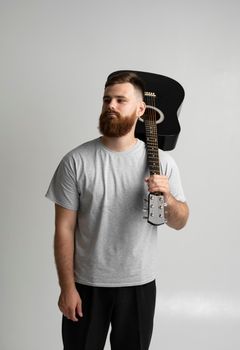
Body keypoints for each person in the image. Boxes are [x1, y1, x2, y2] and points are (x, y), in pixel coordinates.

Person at [45, 71, 189, 350]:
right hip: (86, 285)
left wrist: (168, 198)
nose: (110, 105)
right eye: (106, 99)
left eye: (120, 100)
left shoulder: (162, 163)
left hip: (139, 285)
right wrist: (67, 287)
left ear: (141, 109)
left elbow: (180, 221)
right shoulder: (76, 161)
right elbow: (63, 229)